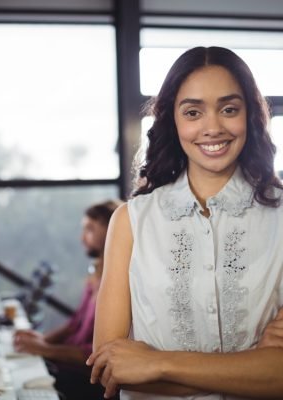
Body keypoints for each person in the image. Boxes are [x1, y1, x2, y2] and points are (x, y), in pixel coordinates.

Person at [86, 46, 283, 399]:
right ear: (171, 120)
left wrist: (158, 363)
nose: (212, 127)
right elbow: (111, 368)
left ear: (249, 115)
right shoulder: (130, 222)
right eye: (193, 112)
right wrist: (254, 366)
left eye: (229, 109)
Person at [14, 199, 122, 400]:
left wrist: (46, 349)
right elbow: (74, 324)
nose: (82, 238)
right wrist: (42, 339)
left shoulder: (120, 281)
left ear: (111, 230)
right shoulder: (95, 276)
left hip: (87, 379)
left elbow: (96, 354)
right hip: (68, 364)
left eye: (90, 229)